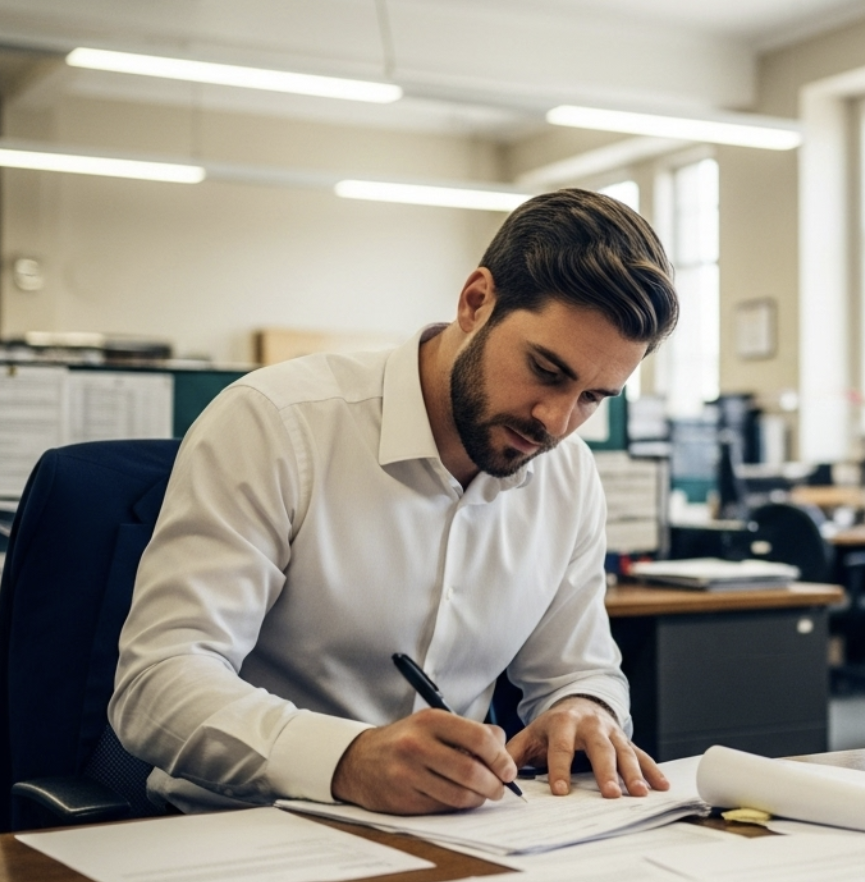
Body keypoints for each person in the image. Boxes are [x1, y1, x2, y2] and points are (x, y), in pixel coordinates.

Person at [109, 188, 679, 815]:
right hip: (242, 827)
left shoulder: (567, 475)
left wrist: (583, 710)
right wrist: (347, 759)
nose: (555, 419)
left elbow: (578, 671)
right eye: (546, 370)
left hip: (459, 837)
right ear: (476, 302)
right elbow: (156, 685)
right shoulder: (276, 425)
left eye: (594, 397)